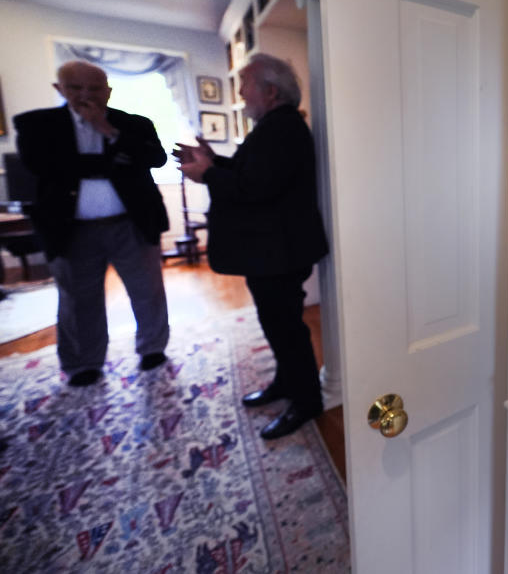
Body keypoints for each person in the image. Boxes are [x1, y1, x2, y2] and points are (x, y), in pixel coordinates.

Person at [177, 53, 328, 440]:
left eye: (245, 85)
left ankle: (307, 400)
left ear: (270, 90)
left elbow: (256, 188)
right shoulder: (277, 126)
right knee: (278, 324)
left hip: (279, 252)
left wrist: (208, 172)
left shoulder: (281, 128)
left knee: (286, 328)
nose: (241, 93)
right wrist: (213, 162)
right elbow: (254, 173)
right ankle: (285, 381)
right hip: (274, 251)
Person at [13, 60, 170, 386]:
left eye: (95, 88)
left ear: (108, 91)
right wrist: (116, 161)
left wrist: (108, 132)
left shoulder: (134, 124)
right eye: (75, 87)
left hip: (132, 224)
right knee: (78, 299)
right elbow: (41, 166)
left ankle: (153, 347)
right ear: (60, 89)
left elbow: (156, 158)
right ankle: (84, 363)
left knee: (148, 291)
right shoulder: (35, 125)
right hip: (71, 229)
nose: (86, 94)